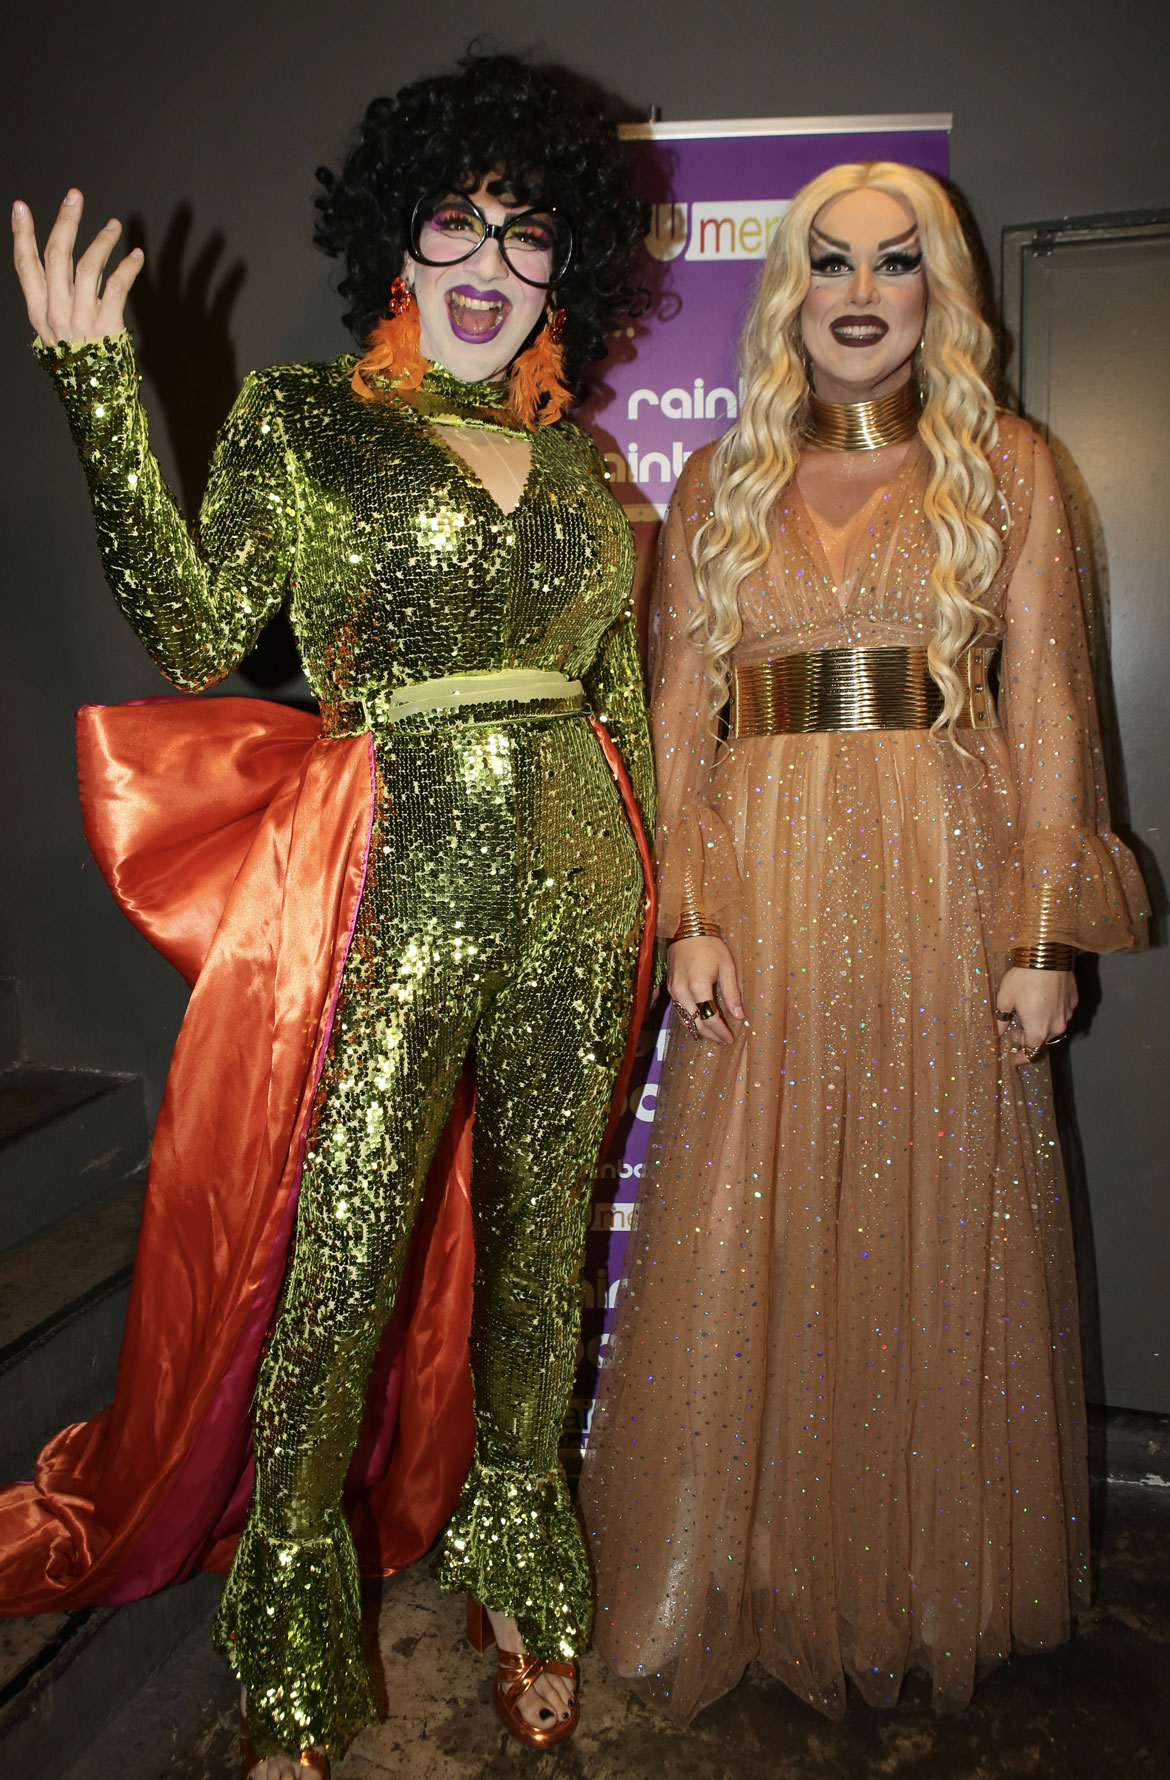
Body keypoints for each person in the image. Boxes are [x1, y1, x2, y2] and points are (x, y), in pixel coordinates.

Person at [4, 52, 656, 1774]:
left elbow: (623, 704)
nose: (487, 263)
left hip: (585, 890)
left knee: (542, 1260)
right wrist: (96, 386)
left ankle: (520, 1564)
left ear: (563, 269)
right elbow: (196, 631)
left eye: (526, 233)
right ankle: (290, 1639)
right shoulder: (304, 419)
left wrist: (665, 900)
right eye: (455, 220)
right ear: (397, 237)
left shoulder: (582, 464)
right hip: (397, 879)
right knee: (341, 1260)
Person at [579, 160, 1149, 1725]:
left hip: (943, 879)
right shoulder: (721, 477)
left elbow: (1051, 710)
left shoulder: (1008, 466)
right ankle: (752, 1563)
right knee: (748, 1223)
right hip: (761, 882)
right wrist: (688, 913)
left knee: (928, 1217)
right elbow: (676, 711)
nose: (857, 291)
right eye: (827, 261)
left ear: (934, 292)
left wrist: (1044, 936)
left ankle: (912, 1578)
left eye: (893, 263)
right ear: (788, 290)